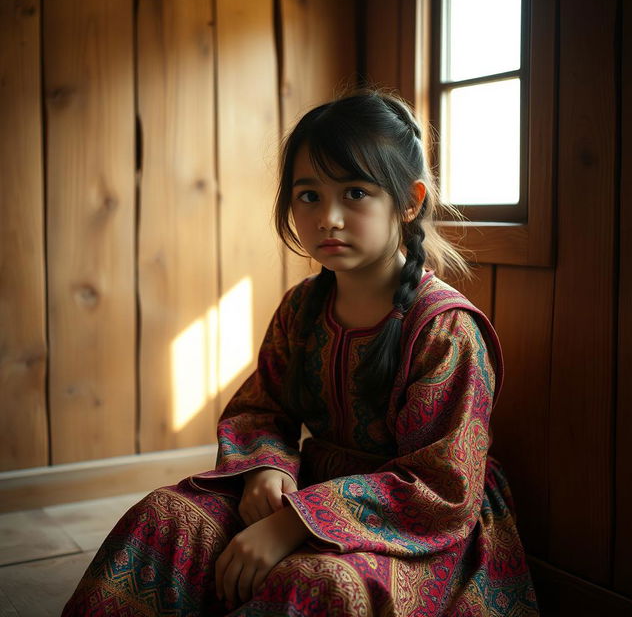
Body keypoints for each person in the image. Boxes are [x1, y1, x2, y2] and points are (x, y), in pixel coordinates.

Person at [63, 90, 539, 616]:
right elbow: (260, 409)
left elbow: (440, 486)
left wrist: (295, 522)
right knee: (164, 517)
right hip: (309, 488)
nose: (328, 218)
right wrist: (268, 470)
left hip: (420, 530)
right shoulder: (302, 309)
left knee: (315, 583)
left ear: (409, 200)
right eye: (308, 195)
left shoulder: (446, 330)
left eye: (355, 193)